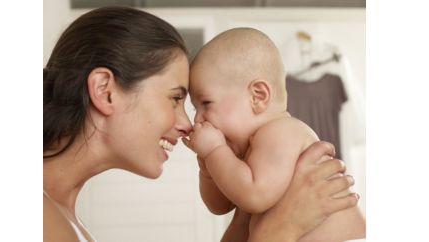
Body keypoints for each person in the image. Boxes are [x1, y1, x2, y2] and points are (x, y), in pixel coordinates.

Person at [43, 7, 359, 242]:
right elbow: (227, 204)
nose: (188, 123)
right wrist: (283, 227)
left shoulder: (62, 219)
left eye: (197, 104)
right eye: (175, 98)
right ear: (105, 91)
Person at [183, 27, 365, 242]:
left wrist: (215, 151)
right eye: (196, 108)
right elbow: (218, 206)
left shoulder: (282, 133)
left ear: (258, 96)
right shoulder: (246, 155)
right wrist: (208, 168)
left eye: (206, 104)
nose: (198, 120)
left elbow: (254, 196)